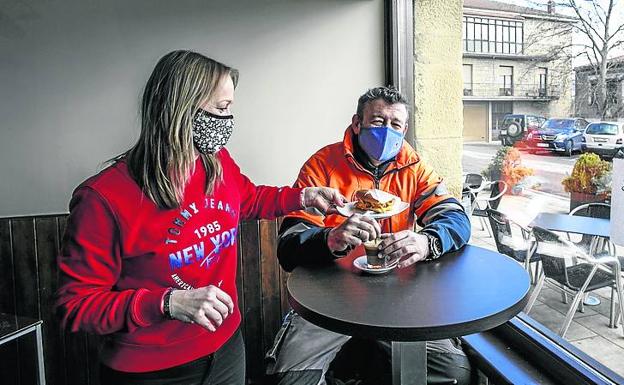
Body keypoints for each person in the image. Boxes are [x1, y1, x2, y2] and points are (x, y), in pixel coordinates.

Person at [54, 50, 345, 385]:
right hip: (152, 371)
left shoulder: (215, 160)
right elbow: (75, 307)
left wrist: (303, 197)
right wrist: (167, 303)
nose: (229, 120)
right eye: (222, 109)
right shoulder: (103, 198)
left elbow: (247, 199)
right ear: (181, 109)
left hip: (226, 347)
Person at [265, 86, 473, 385]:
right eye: (377, 121)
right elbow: (289, 245)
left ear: (405, 129)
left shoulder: (414, 168)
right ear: (357, 123)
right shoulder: (322, 165)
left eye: (396, 124)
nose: (387, 131)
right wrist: (330, 239)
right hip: (329, 295)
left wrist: (426, 241)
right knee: (290, 379)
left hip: (400, 295)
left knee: (454, 372)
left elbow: (454, 217)